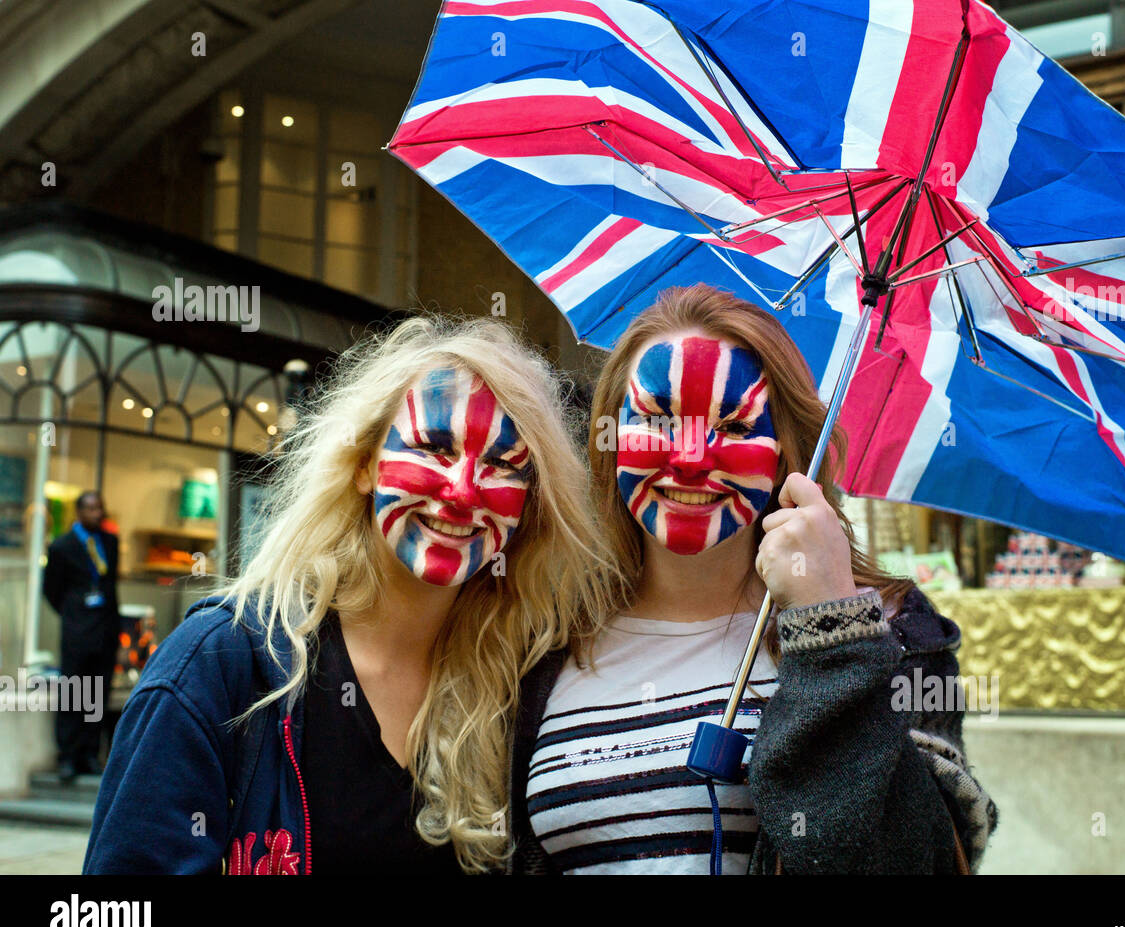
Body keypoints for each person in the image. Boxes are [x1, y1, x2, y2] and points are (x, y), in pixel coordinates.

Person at [84, 316, 615, 874]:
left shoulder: (522, 684)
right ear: (364, 465)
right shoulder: (219, 661)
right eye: (434, 447)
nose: (463, 491)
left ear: (529, 502)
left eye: (502, 464)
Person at [511, 284, 997, 874]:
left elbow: (912, 862)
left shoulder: (892, 631)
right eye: (658, 419)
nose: (690, 458)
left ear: (785, 452)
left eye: (734, 426)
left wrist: (831, 628)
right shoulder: (549, 635)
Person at [42, 490, 120, 783]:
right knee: (73, 691)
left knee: (97, 693)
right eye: (91, 509)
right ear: (79, 511)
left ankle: (89, 753)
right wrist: (73, 613)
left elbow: (110, 584)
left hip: (105, 630)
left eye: (100, 508)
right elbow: (51, 590)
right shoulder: (62, 546)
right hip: (77, 630)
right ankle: (68, 756)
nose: (97, 514)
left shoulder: (110, 541)